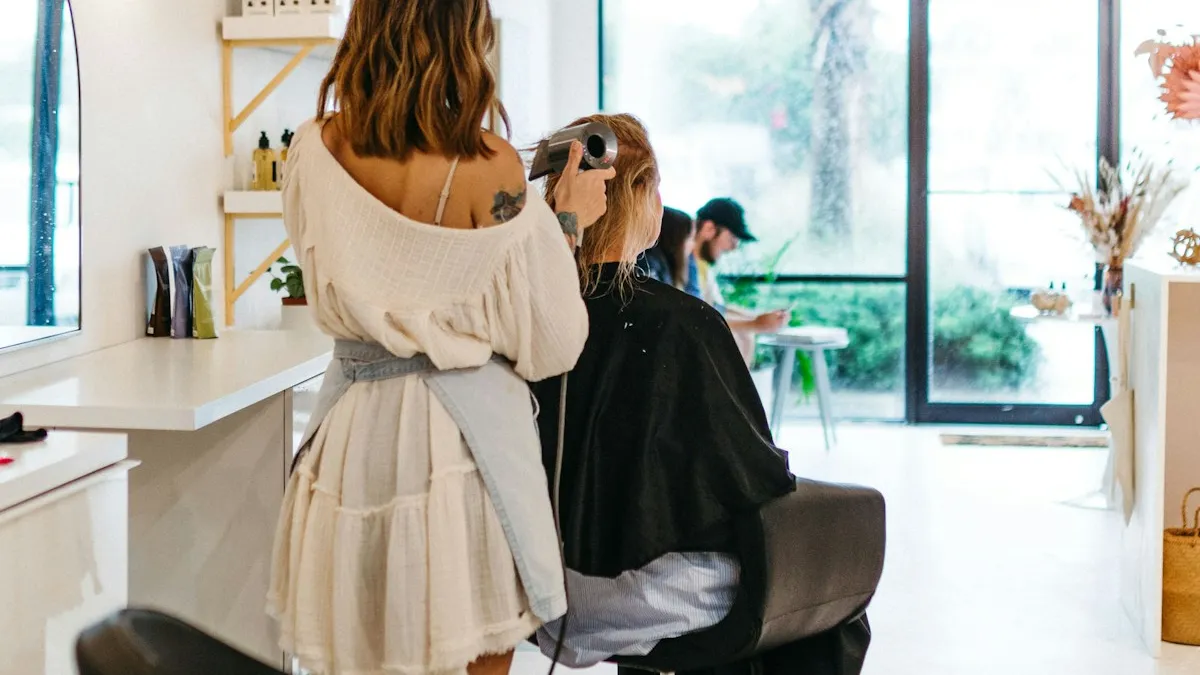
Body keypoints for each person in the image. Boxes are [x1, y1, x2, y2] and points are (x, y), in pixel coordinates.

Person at [265, 3, 615, 675]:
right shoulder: (492, 170)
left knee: (363, 649)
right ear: (464, 34)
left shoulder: (311, 149)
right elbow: (552, 341)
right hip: (461, 446)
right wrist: (563, 223)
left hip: (351, 438)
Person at [529, 114, 796, 667]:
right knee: (810, 565)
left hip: (533, 583)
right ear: (642, 194)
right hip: (636, 597)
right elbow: (749, 476)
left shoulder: (525, 313)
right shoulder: (682, 323)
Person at [692, 197, 789, 362]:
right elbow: (697, 318)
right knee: (742, 335)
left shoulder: (702, 266)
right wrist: (756, 323)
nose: (734, 247)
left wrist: (758, 318)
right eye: (732, 238)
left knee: (745, 336)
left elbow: (716, 308)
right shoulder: (686, 267)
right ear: (709, 228)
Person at [636, 206, 701, 296]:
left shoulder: (659, 264)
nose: (693, 245)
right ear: (676, 239)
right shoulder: (650, 265)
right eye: (690, 238)